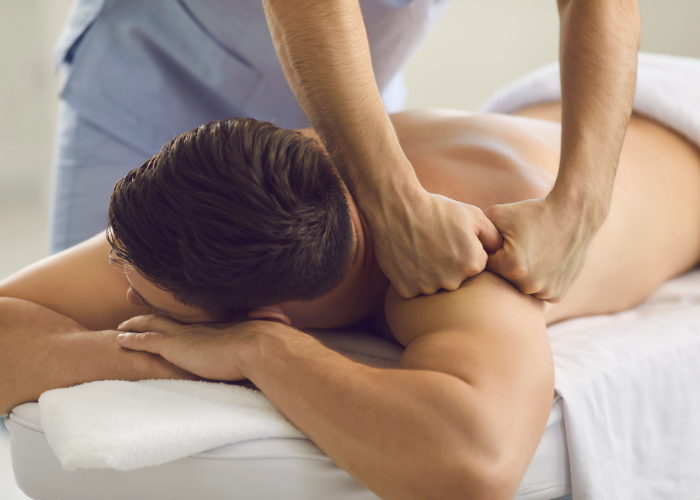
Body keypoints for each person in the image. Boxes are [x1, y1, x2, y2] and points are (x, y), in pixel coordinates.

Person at [3, 96, 700, 498]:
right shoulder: (257, 194)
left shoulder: (459, 261)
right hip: (534, 106)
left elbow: (473, 464)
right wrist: (150, 354)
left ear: (268, 312)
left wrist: (258, 351)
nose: (121, 288)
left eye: (137, 294)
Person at [51, 0, 641, 302]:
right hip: (161, 66)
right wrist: (393, 203)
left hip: (350, 92)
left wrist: (580, 211)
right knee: (103, 320)